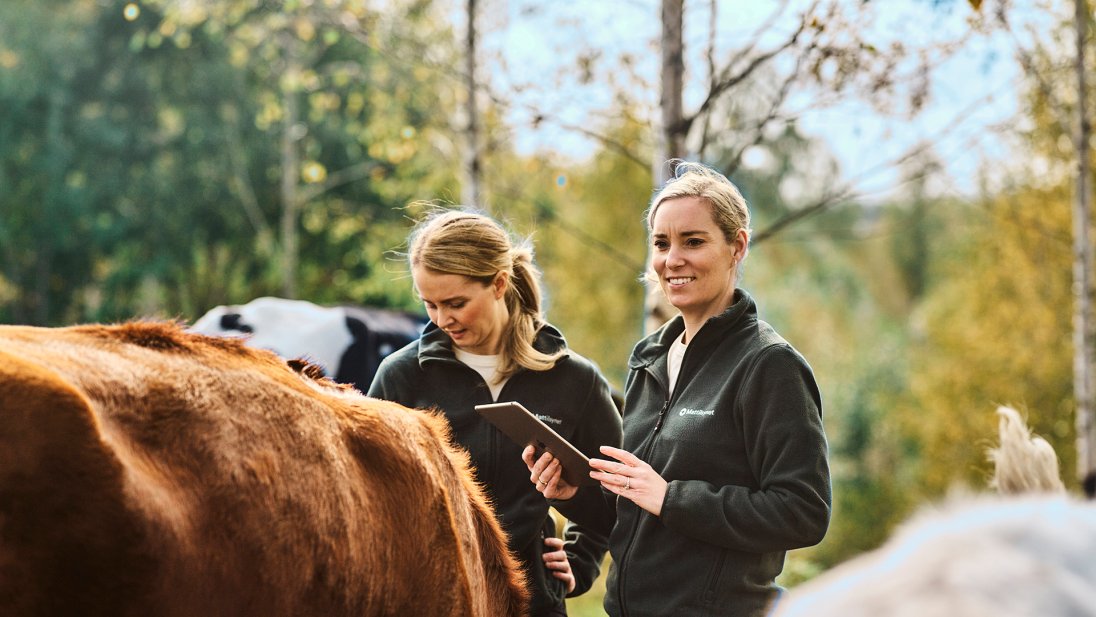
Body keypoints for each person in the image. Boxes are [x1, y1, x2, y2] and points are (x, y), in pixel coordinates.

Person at [524, 161, 831, 617]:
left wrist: (672, 498)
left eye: (693, 241)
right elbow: (632, 511)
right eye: (661, 243)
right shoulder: (648, 359)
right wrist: (574, 494)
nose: (672, 260)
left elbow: (803, 511)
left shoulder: (769, 365)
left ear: (737, 247)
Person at [367, 209, 623, 617]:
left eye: (456, 303)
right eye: (429, 304)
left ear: (499, 283)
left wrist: (579, 561)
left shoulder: (575, 380)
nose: (441, 319)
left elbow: (618, 502)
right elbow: (371, 497)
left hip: (531, 604)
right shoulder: (400, 377)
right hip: (430, 602)